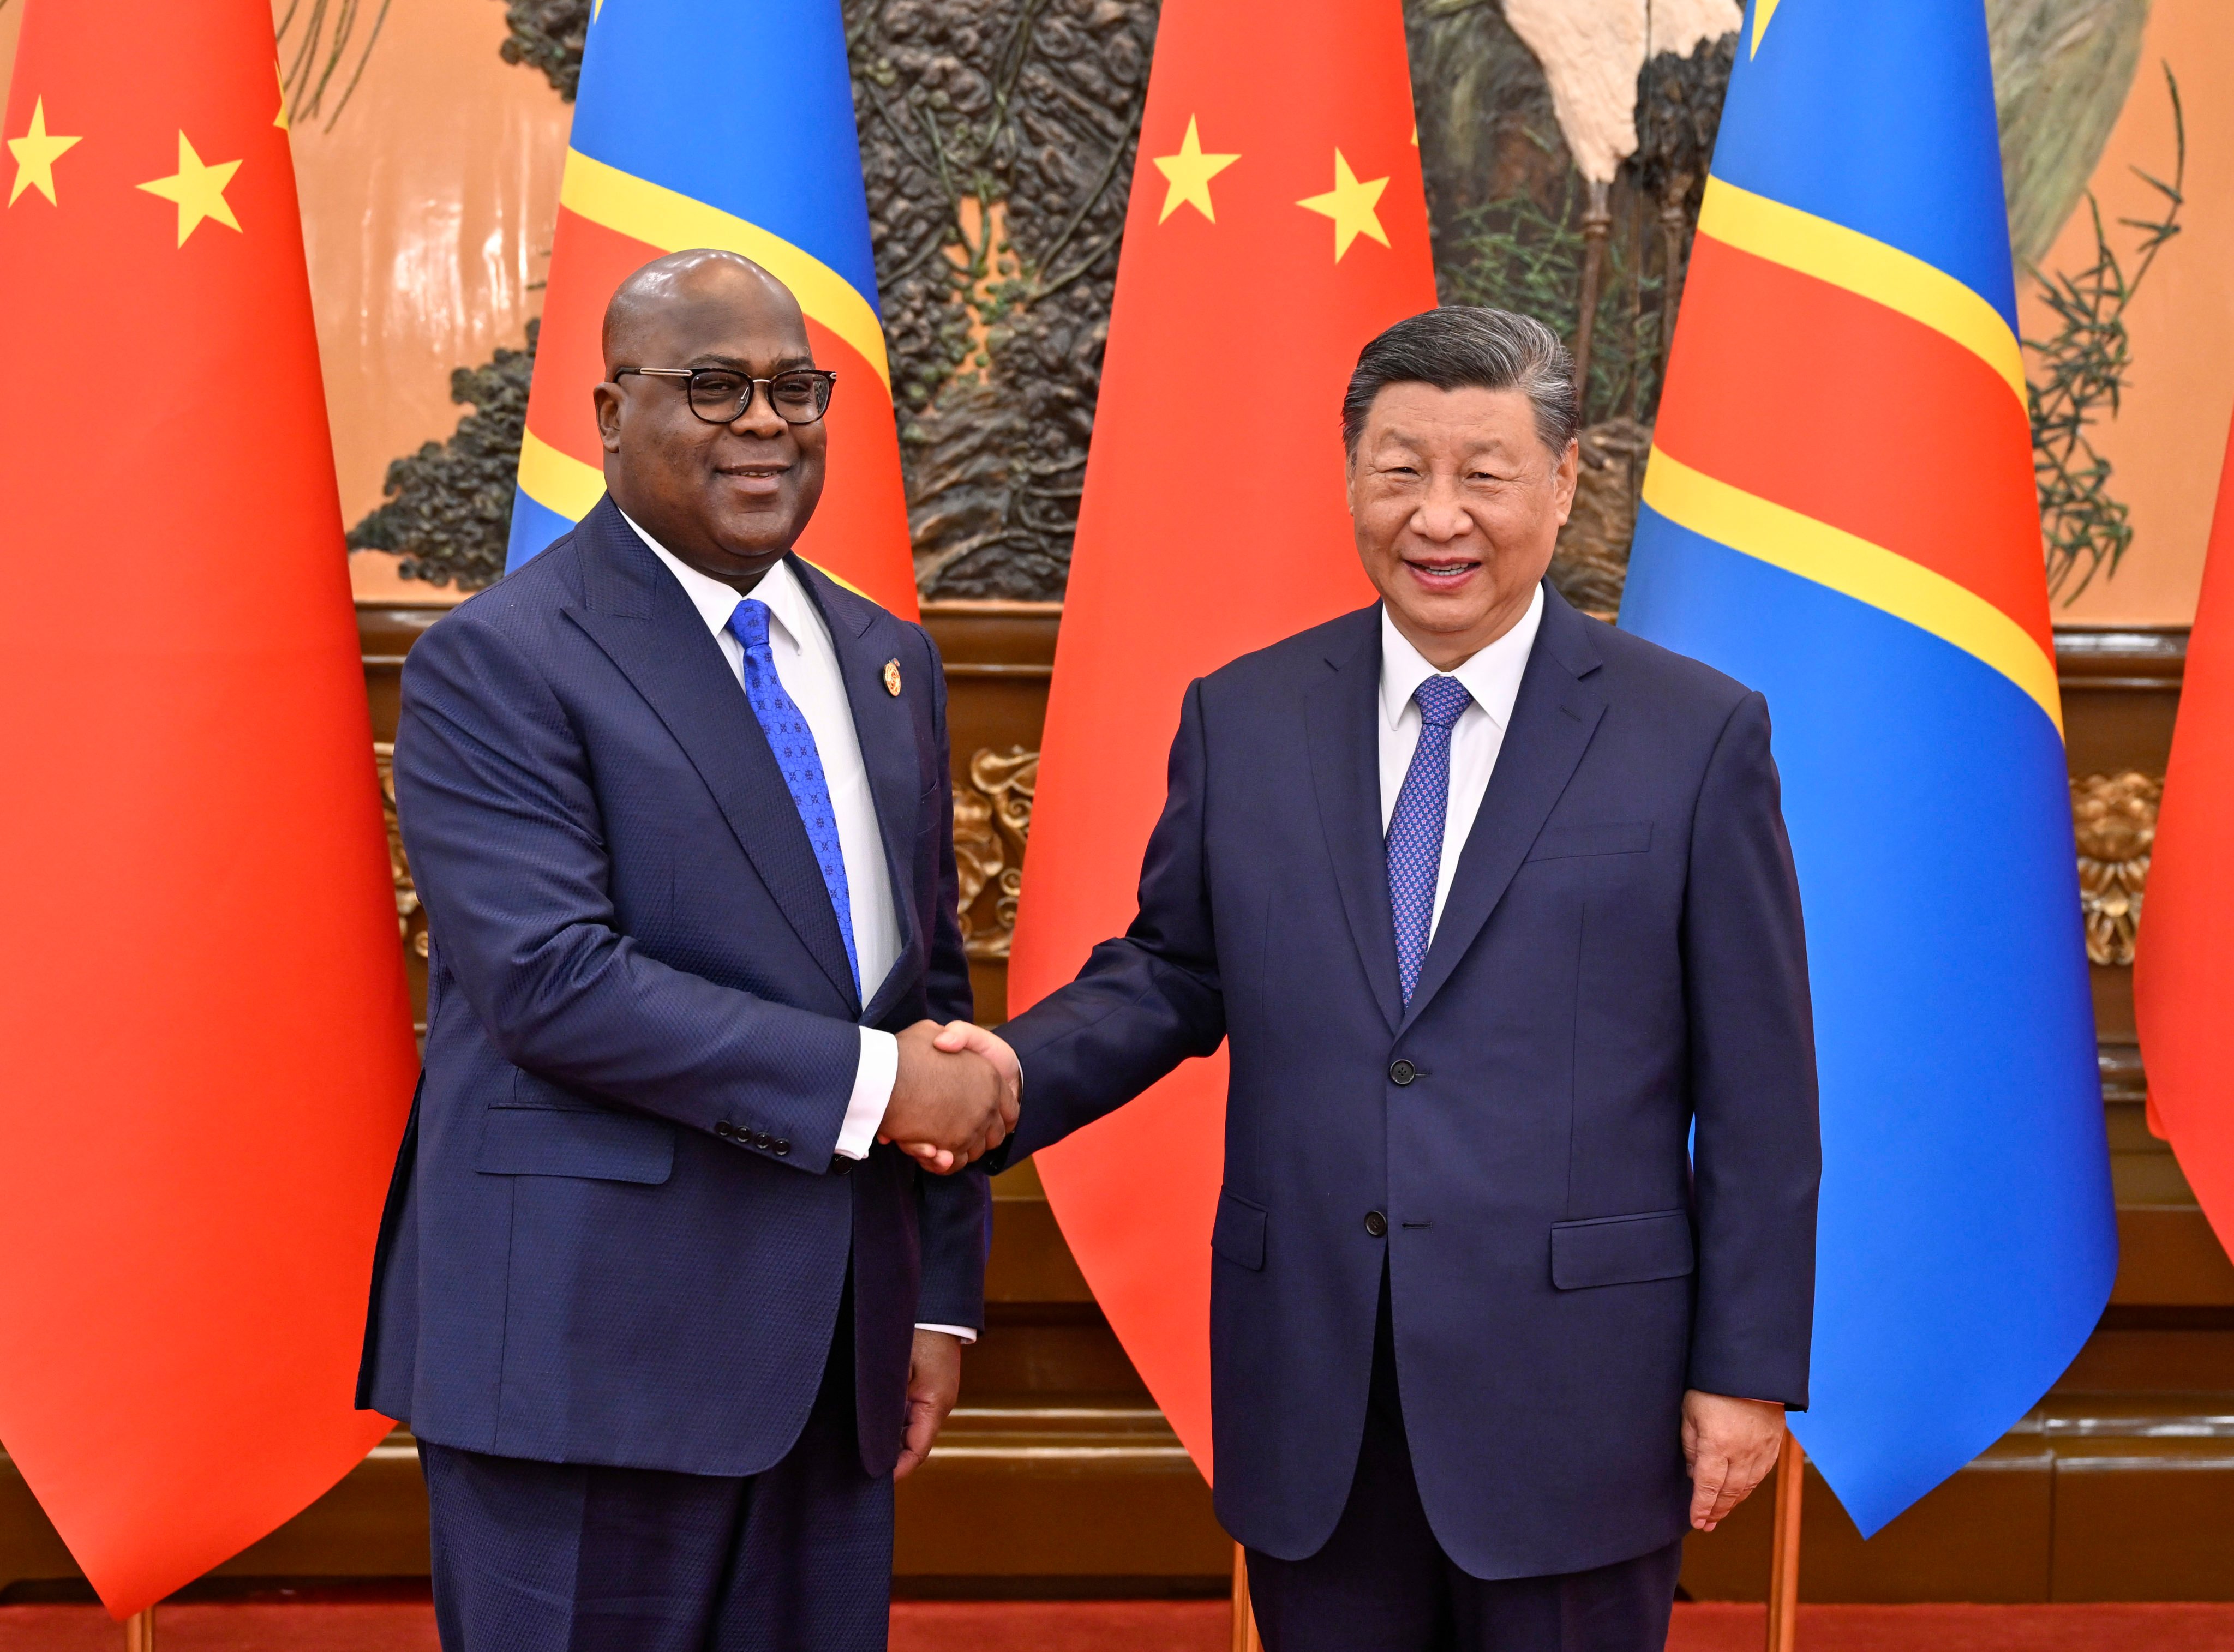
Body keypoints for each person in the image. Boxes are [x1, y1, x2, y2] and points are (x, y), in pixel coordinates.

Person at [937, 306, 1821, 1651]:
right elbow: (1174, 972)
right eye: (1398, 469)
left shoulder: (1692, 736)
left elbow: (1759, 1087)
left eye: (1482, 473)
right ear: (1349, 475)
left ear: (1565, 480)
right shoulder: (1245, 717)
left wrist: (1743, 1374)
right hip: (1317, 1386)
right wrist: (1005, 1074)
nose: (1437, 516)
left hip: (1576, 1393)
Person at [357, 248, 1014, 1652]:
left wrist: (936, 1300)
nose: (764, 422)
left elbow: (924, 992)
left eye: (794, 388)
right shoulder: (499, 660)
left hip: (834, 1359)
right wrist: (878, 1088)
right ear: (606, 415)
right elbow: (553, 984)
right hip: (589, 1365)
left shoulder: (884, 656)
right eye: (710, 386)